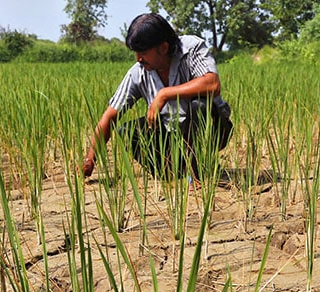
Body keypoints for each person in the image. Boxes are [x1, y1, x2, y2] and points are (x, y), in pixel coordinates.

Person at [82, 13, 233, 181]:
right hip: (173, 134)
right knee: (127, 131)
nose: (139, 58)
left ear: (163, 47)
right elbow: (110, 115)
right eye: (136, 53)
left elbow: (212, 84)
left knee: (200, 105)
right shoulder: (138, 73)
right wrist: (90, 159)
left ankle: (198, 174)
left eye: (144, 52)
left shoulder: (191, 49)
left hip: (212, 128)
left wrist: (165, 94)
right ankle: (173, 173)